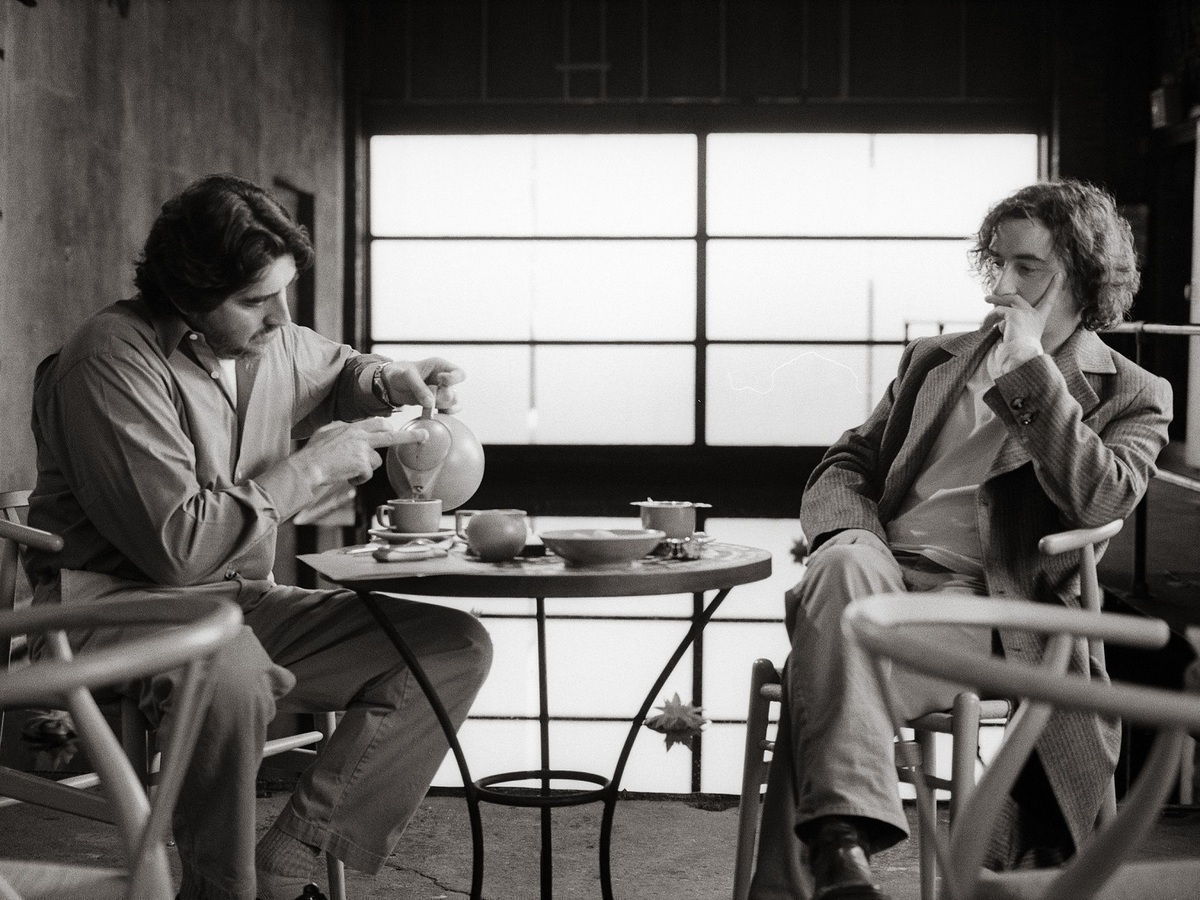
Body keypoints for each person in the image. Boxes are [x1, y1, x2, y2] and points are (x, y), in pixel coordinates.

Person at [24, 174, 494, 900]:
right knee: (231, 673)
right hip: (116, 609)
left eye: (283, 292)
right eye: (254, 299)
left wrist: (389, 379)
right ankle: (223, 891)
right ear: (187, 293)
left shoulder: (268, 339)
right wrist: (310, 468)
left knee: (452, 648)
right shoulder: (109, 363)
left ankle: (288, 865)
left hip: (239, 603)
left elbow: (339, 370)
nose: (279, 316)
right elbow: (177, 552)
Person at [749, 179, 1173, 900]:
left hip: (986, 604)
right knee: (843, 568)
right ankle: (840, 852)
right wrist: (855, 535)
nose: (1001, 285)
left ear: (1084, 275)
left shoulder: (1132, 392)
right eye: (997, 262)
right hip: (877, 571)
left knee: (821, 667)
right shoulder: (935, 359)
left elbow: (1101, 497)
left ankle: (824, 862)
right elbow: (846, 463)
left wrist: (1033, 373)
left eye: (1027, 267)